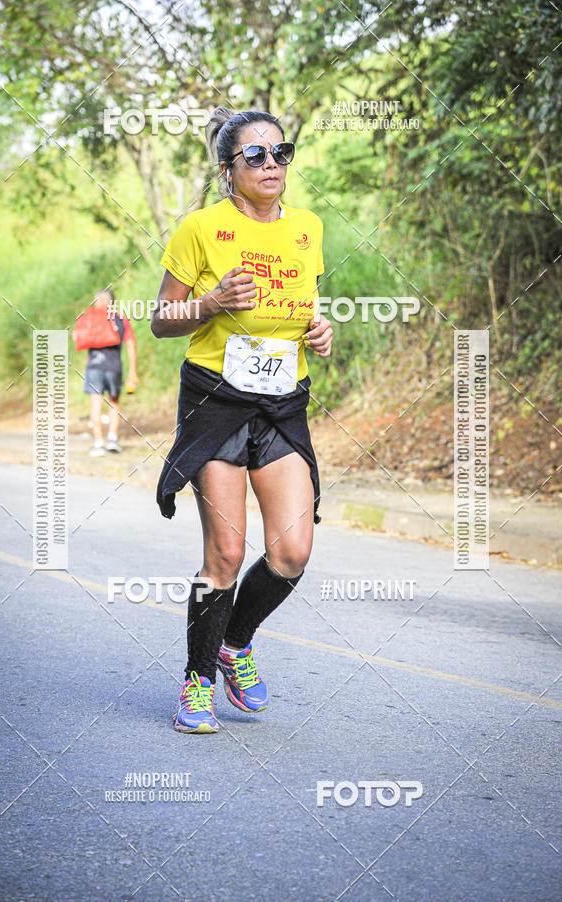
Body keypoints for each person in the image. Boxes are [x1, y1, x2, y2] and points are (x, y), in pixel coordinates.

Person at [151, 108, 333, 733]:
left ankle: (234, 643)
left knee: (292, 550)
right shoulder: (201, 228)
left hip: (281, 401)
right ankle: (197, 681)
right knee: (225, 553)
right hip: (218, 400)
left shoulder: (307, 228)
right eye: (255, 155)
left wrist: (319, 329)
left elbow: (304, 308)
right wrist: (210, 302)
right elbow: (162, 318)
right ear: (228, 170)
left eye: (281, 152)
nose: (271, 164)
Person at [83, 289, 138, 457]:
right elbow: (131, 345)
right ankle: (112, 439)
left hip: (94, 367)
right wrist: (132, 371)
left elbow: (83, 340)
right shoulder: (121, 320)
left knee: (96, 405)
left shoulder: (91, 319)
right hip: (114, 367)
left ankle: (99, 444)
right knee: (114, 403)